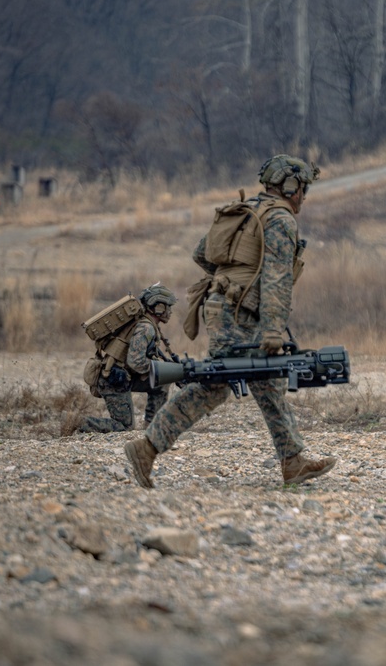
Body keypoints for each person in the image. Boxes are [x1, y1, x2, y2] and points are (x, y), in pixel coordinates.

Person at [124, 154, 337, 489]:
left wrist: (228, 280)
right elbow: (277, 277)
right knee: (216, 382)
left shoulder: (246, 211)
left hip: (225, 308)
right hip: (241, 314)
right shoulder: (280, 219)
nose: (303, 198)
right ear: (291, 186)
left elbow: (201, 253)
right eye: (303, 189)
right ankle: (147, 447)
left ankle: (292, 461)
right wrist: (271, 327)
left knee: (264, 381)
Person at [66, 283, 178, 435]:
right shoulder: (146, 328)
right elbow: (135, 362)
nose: (170, 311)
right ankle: (75, 421)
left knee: (162, 382)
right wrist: (159, 367)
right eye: (167, 307)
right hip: (113, 379)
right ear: (157, 307)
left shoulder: (147, 324)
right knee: (124, 426)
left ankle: (153, 428)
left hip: (124, 375)